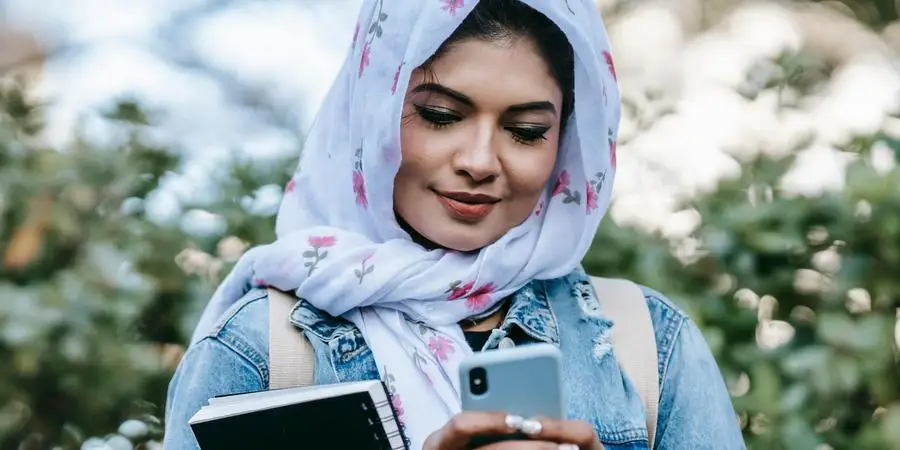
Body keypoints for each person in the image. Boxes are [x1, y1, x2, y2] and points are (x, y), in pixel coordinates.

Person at [163, 0, 745, 449]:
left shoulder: (648, 347)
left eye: (526, 131)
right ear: (373, 108)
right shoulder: (262, 350)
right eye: (441, 116)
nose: (480, 161)